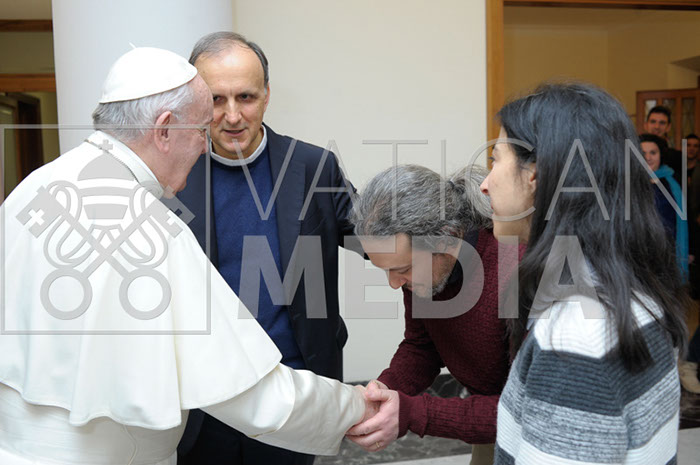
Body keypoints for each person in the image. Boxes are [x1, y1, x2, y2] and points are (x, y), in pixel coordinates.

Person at [0, 47, 379, 465]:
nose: (206, 142)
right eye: (201, 126)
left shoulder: (33, 188)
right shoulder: (149, 226)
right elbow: (254, 395)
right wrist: (355, 407)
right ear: (164, 129)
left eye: (245, 97)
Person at [172, 32, 358, 465]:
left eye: (246, 97)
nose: (232, 116)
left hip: (292, 390)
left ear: (267, 95)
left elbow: (373, 237)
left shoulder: (312, 166)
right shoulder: (170, 172)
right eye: (216, 100)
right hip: (202, 396)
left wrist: (440, 237)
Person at [480, 82, 688, 464]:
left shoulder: (576, 336)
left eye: (495, 160)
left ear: (535, 175)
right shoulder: (630, 290)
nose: (484, 184)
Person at [344, 164, 519, 465]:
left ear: (446, 238)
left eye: (403, 269)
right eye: (386, 270)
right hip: (489, 422)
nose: (394, 283)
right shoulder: (425, 275)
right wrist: (386, 388)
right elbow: (422, 346)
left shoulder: (515, 268)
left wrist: (411, 413)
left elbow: (524, 410)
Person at [639, 133, 688, 278]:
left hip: (669, 253)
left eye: (653, 153)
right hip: (638, 251)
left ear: (661, 155)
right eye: (643, 153)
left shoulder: (674, 180)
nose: (648, 157)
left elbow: (687, 215)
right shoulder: (629, 181)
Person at [644, 105, 683, 184]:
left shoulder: (677, 157)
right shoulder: (634, 152)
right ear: (646, 125)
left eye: (662, 123)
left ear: (668, 127)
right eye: (653, 122)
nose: (657, 127)